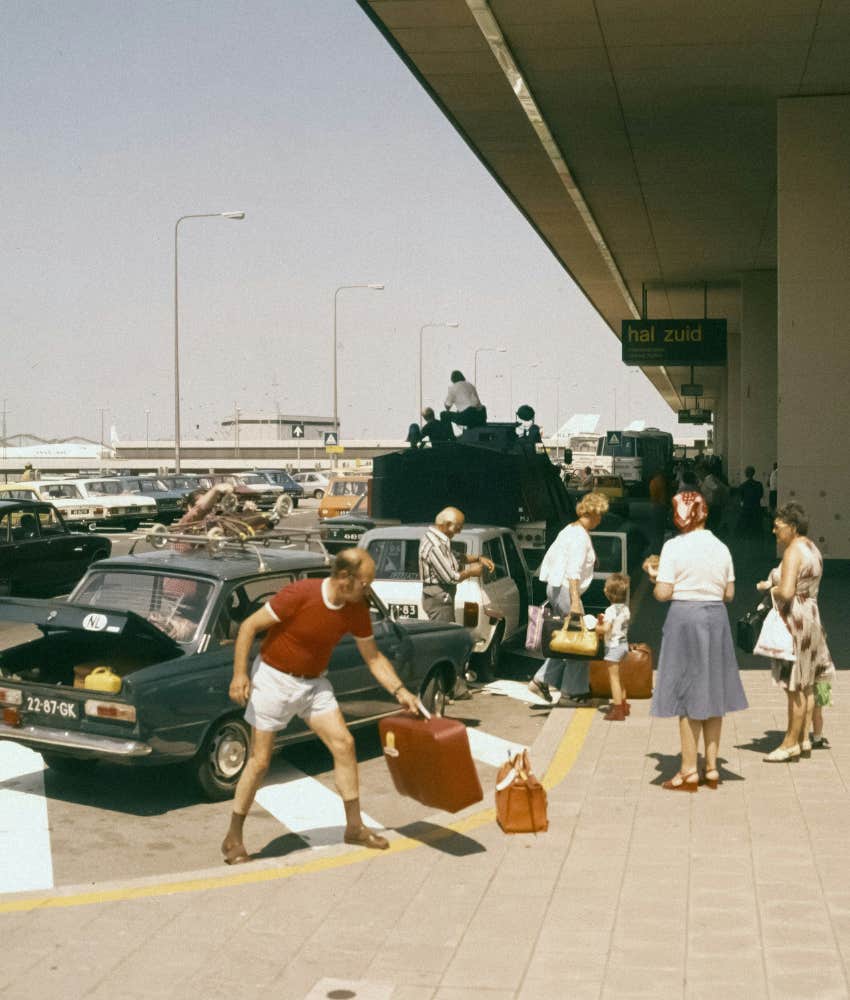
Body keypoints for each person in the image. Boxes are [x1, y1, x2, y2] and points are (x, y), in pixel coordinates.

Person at [221, 548, 420, 863]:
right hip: (273, 678)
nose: (368, 590)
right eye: (365, 584)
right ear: (344, 579)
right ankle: (233, 837)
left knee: (344, 744)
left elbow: (374, 657)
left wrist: (400, 691)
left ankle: (354, 827)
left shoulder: (356, 608)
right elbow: (248, 627)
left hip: (313, 683)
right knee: (260, 762)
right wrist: (239, 674)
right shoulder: (300, 594)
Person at [646, 492, 747, 790]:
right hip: (716, 619)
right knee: (713, 693)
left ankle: (689, 769)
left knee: (686, 697)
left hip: (684, 619)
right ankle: (713, 767)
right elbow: (729, 594)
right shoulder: (722, 548)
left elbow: (664, 593)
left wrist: (654, 578)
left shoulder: (673, 547)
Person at [757, 502, 834, 762]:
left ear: (792, 527)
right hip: (812, 616)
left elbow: (787, 591)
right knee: (808, 684)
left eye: (778, 527)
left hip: (795, 619)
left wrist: (770, 588)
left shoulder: (792, 552)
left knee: (794, 687)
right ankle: (804, 739)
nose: (773, 531)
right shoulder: (812, 548)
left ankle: (789, 743)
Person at [527, 491, 609, 706]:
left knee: (567, 639)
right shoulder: (580, 537)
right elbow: (573, 572)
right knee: (580, 641)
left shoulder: (571, 530)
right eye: (600, 515)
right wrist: (574, 602)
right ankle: (572, 693)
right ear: (594, 513)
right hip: (566, 591)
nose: (601, 519)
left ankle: (542, 680)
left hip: (555, 588)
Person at [418, 507, 494, 623]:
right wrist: (471, 572)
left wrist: (478, 558)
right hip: (439, 599)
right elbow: (451, 577)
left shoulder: (435, 538)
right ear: (447, 524)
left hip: (437, 596)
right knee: (445, 636)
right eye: (458, 527)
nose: (459, 531)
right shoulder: (436, 545)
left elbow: (455, 557)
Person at [598, 572, 631, 722]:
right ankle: (624, 704)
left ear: (608, 593)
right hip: (624, 645)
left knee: (614, 679)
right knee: (621, 677)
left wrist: (597, 627)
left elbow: (606, 629)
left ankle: (617, 710)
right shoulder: (625, 609)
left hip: (613, 647)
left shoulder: (610, 611)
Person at [737, 465, 764, 538]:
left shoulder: (743, 485)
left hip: (746, 507)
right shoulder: (759, 484)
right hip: (756, 507)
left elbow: (741, 497)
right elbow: (761, 495)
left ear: (746, 474)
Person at [648, 467, 670, 554]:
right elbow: (663, 497)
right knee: (659, 531)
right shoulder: (661, 482)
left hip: (655, 505)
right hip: (660, 507)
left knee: (656, 530)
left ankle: (655, 549)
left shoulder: (654, 481)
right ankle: (657, 550)